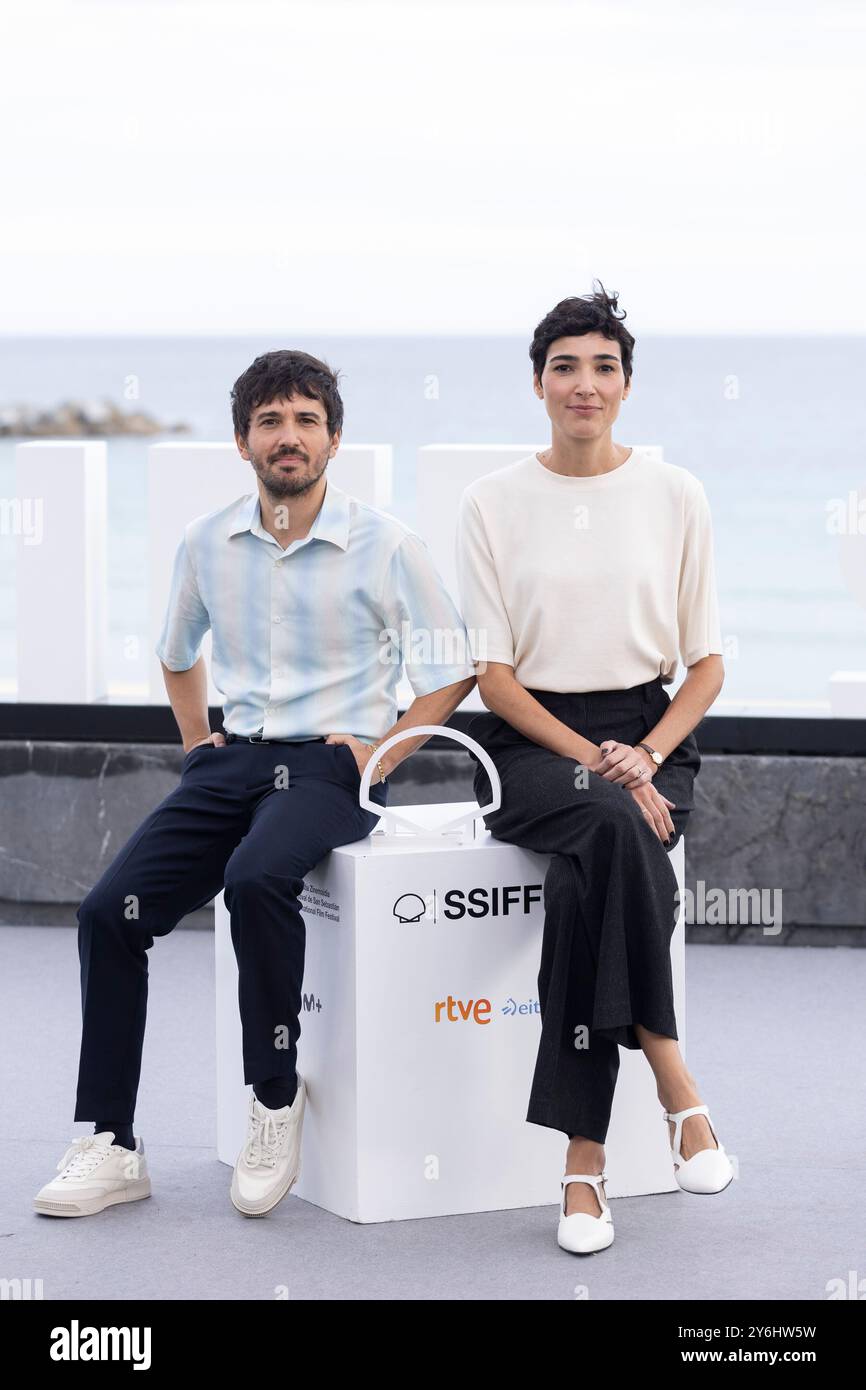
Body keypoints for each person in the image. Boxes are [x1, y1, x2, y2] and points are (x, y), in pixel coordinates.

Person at [34, 349, 476, 1220]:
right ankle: (113, 1142)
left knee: (254, 880)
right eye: (270, 421)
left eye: (307, 420)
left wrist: (379, 754)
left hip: (330, 765)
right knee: (106, 915)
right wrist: (198, 745)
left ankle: (274, 1098)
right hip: (231, 758)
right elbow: (176, 654)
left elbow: (452, 666)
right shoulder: (207, 541)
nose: (289, 437)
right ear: (242, 442)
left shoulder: (387, 544)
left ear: (334, 439)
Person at [454, 284, 734, 1255]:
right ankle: (673, 1079)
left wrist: (645, 753)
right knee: (612, 824)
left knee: (586, 880)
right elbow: (491, 678)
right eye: (564, 365)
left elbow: (705, 664)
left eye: (602, 365)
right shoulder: (491, 503)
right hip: (533, 740)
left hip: (648, 728)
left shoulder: (674, 494)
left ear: (626, 384)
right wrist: (600, 763)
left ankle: (583, 1164)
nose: (584, 382)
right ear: (537, 383)